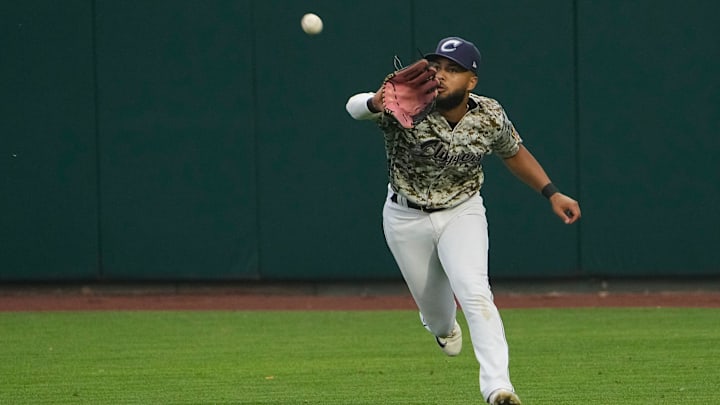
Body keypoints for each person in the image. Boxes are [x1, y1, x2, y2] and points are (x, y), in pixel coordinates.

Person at [345, 36, 581, 405]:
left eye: (454, 70)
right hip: (406, 217)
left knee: (475, 291)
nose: (441, 75)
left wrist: (551, 192)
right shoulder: (405, 104)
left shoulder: (489, 114)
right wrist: (375, 102)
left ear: (472, 81)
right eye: (436, 66)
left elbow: (513, 152)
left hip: (462, 211)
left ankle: (498, 388)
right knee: (440, 320)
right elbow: (354, 108)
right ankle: (441, 326)